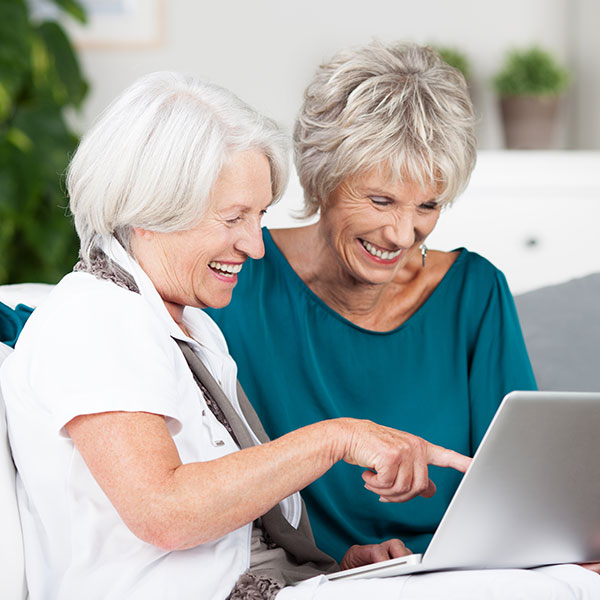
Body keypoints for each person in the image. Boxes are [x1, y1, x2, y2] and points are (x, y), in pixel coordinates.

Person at [1, 72, 598, 600]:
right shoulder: (94, 318)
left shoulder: (184, 326)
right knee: (568, 584)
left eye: (258, 218)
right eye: (234, 218)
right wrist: (336, 439)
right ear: (148, 208)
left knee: (571, 575)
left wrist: (338, 567)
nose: (256, 245)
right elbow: (166, 512)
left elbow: (232, 529)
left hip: (290, 582)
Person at [206, 41, 538, 561]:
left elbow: (524, 484)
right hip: (311, 579)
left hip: (464, 574)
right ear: (323, 180)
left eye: (427, 205)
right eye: (381, 200)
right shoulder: (236, 282)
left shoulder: (475, 294)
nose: (404, 233)